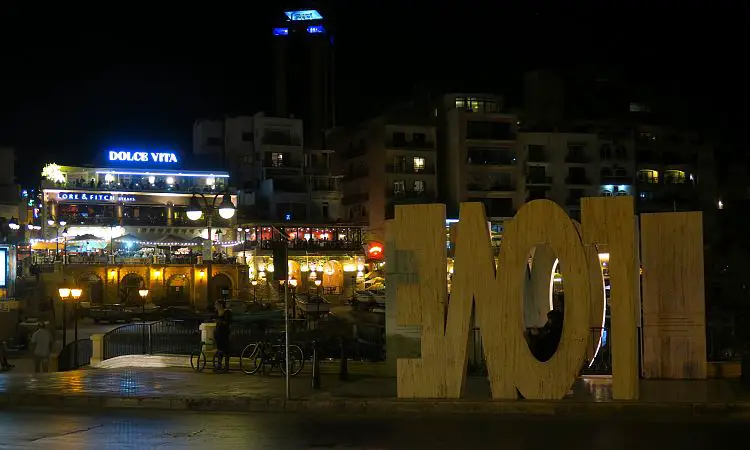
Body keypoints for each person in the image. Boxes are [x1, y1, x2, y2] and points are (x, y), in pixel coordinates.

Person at [213, 300, 232, 372]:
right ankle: (219, 365)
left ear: (221, 305)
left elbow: (228, 322)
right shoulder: (216, 312)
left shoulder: (227, 312)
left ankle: (226, 366)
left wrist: (220, 322)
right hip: (218, 333)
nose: (215, 306)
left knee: (226, 350)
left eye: (216, 304)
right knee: (219, 349)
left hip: (225, 333)